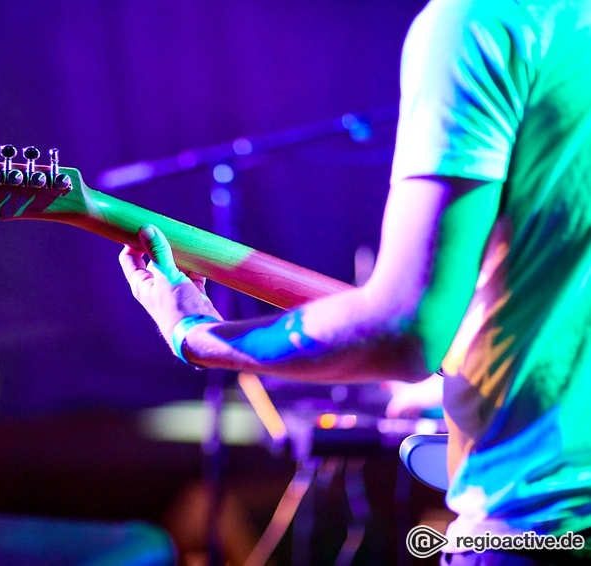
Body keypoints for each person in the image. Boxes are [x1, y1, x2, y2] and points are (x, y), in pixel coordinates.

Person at [120, 0, 591, 563]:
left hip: (541, 529)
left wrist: (195, 333)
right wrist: (461, 384)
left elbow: (406, 330)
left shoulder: (483, 22)